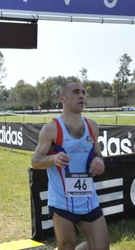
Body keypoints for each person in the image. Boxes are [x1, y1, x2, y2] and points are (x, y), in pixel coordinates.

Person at [31, 82, 109, 250]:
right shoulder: (52, 128)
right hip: (62, 201)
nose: (81, 95)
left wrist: (98, 160)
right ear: (62, 98)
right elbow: (35, 161)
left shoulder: (92, 126)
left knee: (101, 247)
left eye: (83, 92)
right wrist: (52, 159)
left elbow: (98, 153)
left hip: (89, 200)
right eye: (75, 92)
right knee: (67, 246)